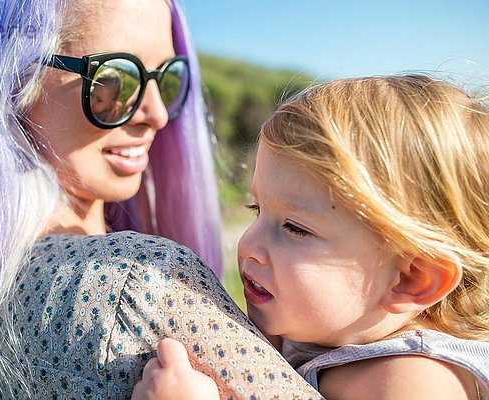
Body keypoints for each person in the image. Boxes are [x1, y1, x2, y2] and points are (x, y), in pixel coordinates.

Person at [0, 0, 239, 398]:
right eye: (113, 79)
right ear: (14, 82)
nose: (158, 114)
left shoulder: (4, 294)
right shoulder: (143, 278)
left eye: (166, 78)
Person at [132, 75, 489, 399]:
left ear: (411, 279)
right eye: (256, 209)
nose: (249, 247)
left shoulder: (414, 380)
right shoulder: (315, 328)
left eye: (295, 228)